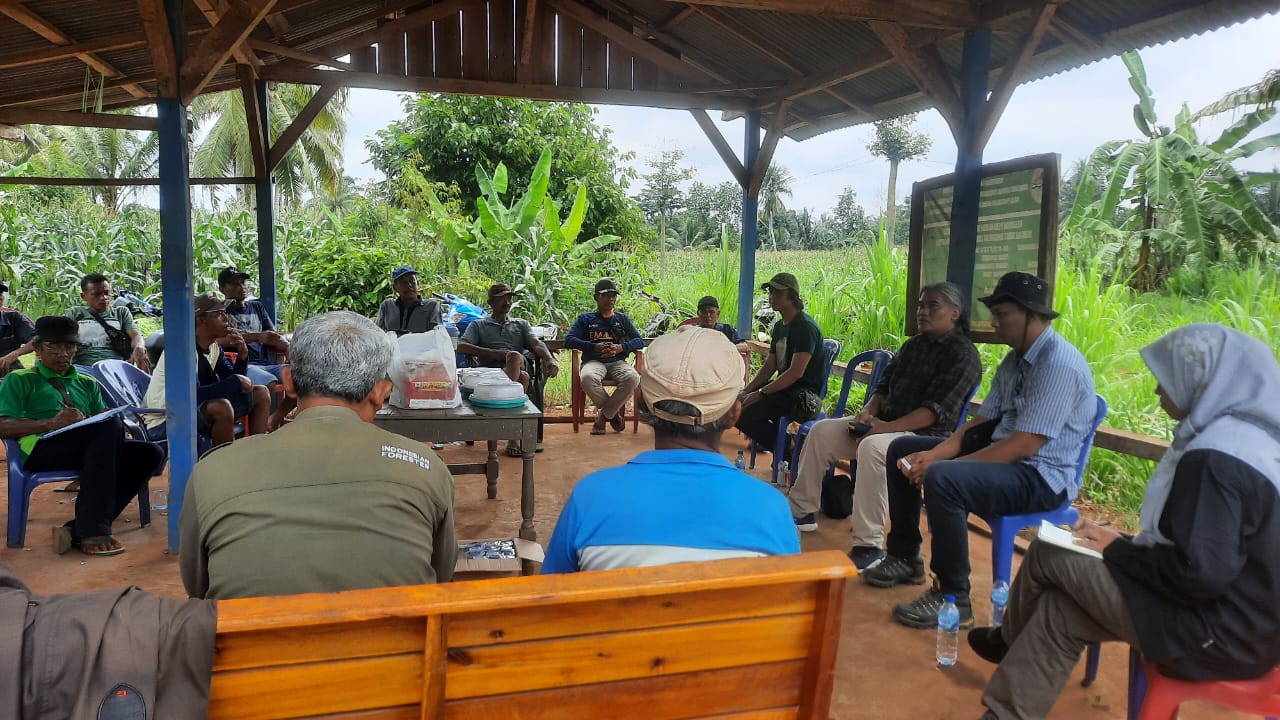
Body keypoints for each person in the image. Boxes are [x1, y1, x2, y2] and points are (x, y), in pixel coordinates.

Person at [970, 324, 1280, 720]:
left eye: (1165, 380)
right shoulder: (1253, 442)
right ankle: (1006, 713)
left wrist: (1118, 551)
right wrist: (1128, 544)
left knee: (1049, 550)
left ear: (1199, 380)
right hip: (1249, 628)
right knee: (1059, 611)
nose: (1156, 391)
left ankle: (1006, 640)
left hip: (1215, 634)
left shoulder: (1216, 458)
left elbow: (1199, 573)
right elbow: (1212, 548)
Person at [862, 271, 1095, 630]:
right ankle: (905, 556)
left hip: (1041, 477)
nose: (995, 323)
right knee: (902, 449)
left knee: (944, 479)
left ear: (1033, 316)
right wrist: (936, 453)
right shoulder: (1015, 360)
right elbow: (979, 425)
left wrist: (944, 467)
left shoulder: (1057, 364)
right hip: (1007, 459)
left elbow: (1023, 445)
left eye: (1003, 315)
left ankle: (954, 596)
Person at [180, 311, 457, 599]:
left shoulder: (211, 473)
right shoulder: (427, 469)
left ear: (288, 381)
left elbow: (198, 588)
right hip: (395, 641)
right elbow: (441, 575)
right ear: (381, 392)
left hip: (252, 642)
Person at [543, 325, 800, 573]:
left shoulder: (590, 499)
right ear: (734, 414)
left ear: (640, 400)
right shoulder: (771, 510)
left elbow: (551, 603)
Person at [787, 282, 982, 553]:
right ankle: (802, 510)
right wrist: (868, 413)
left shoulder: (963, 355)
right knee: (822, 432)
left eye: (932, 306)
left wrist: (886, 428)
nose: (923, 311)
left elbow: (935, 411)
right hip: (885, 424)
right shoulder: (913, 346)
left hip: (926, 437)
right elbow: (883, 386)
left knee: (874, 447)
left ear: (955, 313)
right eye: (920, 305)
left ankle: (869, 545)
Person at [0, 316, 163, 556]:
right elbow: (3, 426)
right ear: (36, 349)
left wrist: (107, 415)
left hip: (89, 451)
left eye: (69, 346)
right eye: (53, 346)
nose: (62, 353)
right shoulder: (20, 380)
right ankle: (92, 530)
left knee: (148, 453)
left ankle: (78, 528)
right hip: (39, 450)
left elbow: (102, 427)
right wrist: (50, 423)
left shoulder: (87, 383)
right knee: (107, 430)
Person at [143, 294, 270, 447]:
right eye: (218, 314)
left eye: (224, 312)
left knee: (260, 393)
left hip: (192, 412)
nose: (226, 318)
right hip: (166, 420)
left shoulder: (213, 347)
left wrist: (243, 356)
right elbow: (192, 396)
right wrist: (235, 382)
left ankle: (258, 449)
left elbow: (233, 381)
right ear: (200, 320)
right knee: (221, 408)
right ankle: (222, 465)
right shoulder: (182, 351)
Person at [457, 282, 560, 454]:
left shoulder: (520, 324)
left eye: (509, 298)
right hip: (490, 372)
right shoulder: (479, 325)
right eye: (501, 299)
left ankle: (503, 431)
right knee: (524, 378)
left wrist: (550, 359)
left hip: (516, 365)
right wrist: (493, 353)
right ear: (490, 303)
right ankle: (512, 439)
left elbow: (535, 343)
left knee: (513, 356)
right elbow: (461, 346)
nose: (507, 302)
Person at [735, 272, 824, 454]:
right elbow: (770, 366)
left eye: (777, 293)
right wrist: (747, 390)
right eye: (770, 292)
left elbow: (796, 373)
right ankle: (782, 444)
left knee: (746, 415)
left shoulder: (805, 327)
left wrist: (760, 393)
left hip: (803, 395)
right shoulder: (779, 326)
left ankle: (789, 450)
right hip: (785, 390)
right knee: (739, 406)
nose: (772, 297)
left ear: (791, 296)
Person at [564, 278, 644, 435]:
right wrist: (594, 346)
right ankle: (613, 415)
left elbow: (639, 340)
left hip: (617, 362)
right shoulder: (585, 319)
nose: (611, 299)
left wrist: (621, 347)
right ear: (596, 297)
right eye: (606, 295)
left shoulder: (622, 319)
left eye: (613, 295)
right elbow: (569, 340)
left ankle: (604, 416)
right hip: (593, 361)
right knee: (586, 378)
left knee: (633, 378)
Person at [218, 266, 295, 429]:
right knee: (269, 383)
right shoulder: (219, 311)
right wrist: (256, 336)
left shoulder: (257, 307)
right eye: (235, 284)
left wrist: (290, 349)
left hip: (266, 364)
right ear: (222, 288)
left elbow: (272, 335)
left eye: (243, 282)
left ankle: (274, 419)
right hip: (242, 365)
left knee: (300, 378)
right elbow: (219, 340)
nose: (241, 287)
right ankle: (257, 433)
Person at [66, 273, 150, 370]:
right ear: (83, 296)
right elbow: (61, 337)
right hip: (83, 367)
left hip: (115, 368)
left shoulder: (121, 312)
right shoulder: (76, 313)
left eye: (106, 293)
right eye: (96, 294)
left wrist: (139, 347)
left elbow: (135, 335)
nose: (104, 298)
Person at [375, 265, 442, 336]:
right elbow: (377, 333)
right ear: (395, 287)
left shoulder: (432, 306)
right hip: (392, 346)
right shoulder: (387, 306)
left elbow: (436, 336)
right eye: (403, 282)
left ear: (418, 284)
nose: (409, 285)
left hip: (421, 346)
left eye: (412, 281)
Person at [679, 295, 747, 352]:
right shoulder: (691, 330)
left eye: (711, 312)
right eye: (704, 312)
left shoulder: (726, 329)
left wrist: (726, 349)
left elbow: (744, 345)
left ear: (718, 313)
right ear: (698, 314)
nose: (708, 315)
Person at [0, 280, 36, 376]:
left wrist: (14, 354)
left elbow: (38, 340)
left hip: (11, 370)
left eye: (0, 293)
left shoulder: (13, 318)